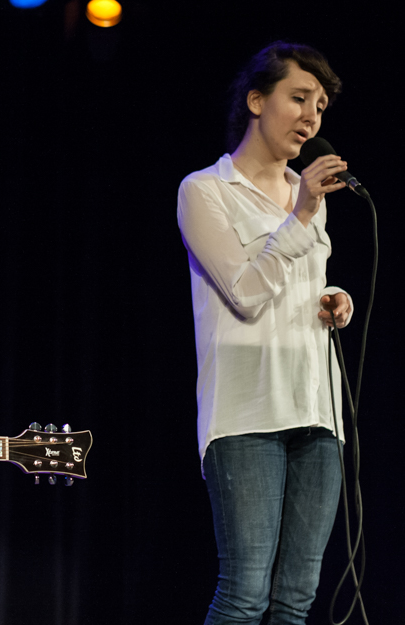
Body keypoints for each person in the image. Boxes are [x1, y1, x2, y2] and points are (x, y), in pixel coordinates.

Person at [177, 43, 352, 624]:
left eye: (321, 106)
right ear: (257, 100)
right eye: (299, 98)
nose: (312, 117)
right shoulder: (205, 191)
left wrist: (331, 300)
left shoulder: (310, 201)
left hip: (317, 408)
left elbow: (295, 288)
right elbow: (247, 295)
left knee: (297, 601)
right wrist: (299, 214)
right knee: (245, 595)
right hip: (247, 414)